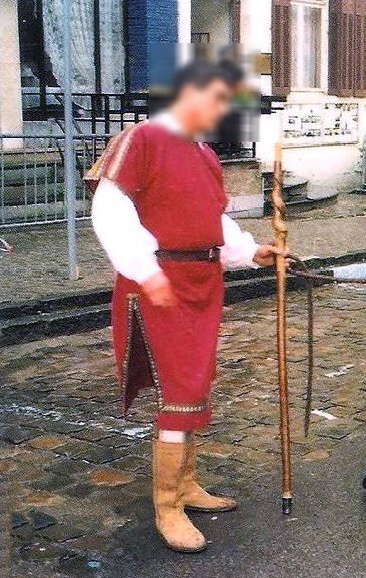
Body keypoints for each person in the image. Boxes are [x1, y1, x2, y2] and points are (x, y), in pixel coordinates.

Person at [86, 61, 284, 553]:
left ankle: (187, 484)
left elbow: (214, 222)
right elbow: (110, 211)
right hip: (160, 283)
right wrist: (146, 272)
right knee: (180, 390)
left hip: (203, 282)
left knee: (197, 385)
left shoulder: (204, 154)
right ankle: (167, 507)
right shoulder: (143, 139)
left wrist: (251, 251)